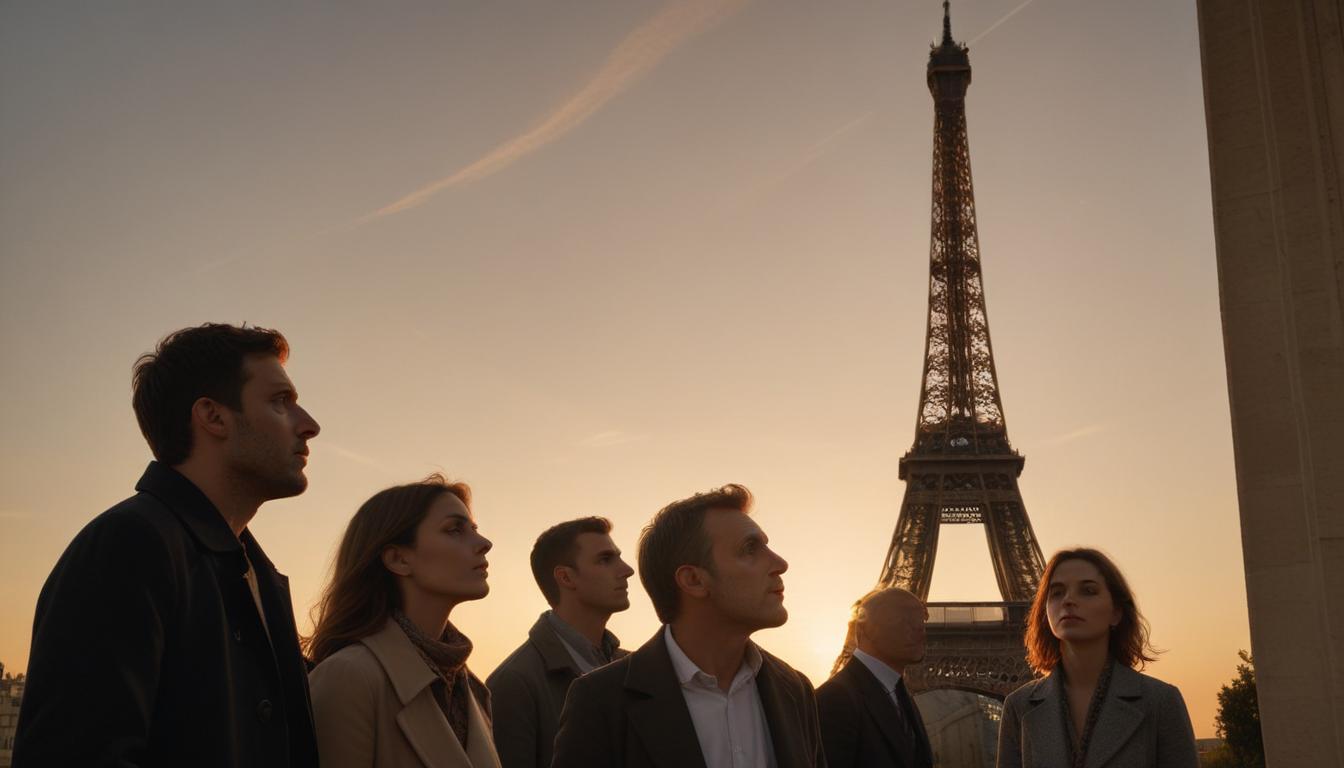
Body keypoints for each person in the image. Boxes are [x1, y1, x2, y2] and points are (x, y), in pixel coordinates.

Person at [14, 323, 322, 767]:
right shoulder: (128, 546)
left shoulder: (256, 574)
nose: (309, 425)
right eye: (280, 402)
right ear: (213, 416)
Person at [551, 483, 825, 768]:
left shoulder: (795, 690)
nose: (780, 563)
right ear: (693, 580)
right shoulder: (601, 701)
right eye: (750, 549)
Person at [306, 475, 501, 768]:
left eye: (473, 529)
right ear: (398, 559)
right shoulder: (349, 677)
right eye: (454, 530)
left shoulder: (471, 687)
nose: (484, 543)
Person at [996, 548, 1199, 768]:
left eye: (1088, 591)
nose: (1069, 600)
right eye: (1056, 593)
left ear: (1116, 612)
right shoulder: (1018, 707)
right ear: (1045, 612)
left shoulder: (1160, 702)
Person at [487, 517, 635, 768]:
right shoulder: (514, 682)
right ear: (566, 578)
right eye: (605, 559)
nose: (627, 569)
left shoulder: (634, 667)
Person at [817, 587, 933, 768]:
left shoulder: (899, 692)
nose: (919, 628)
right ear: (864, 629)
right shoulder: (834, 698)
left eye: (921, 619)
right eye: (903, 619)